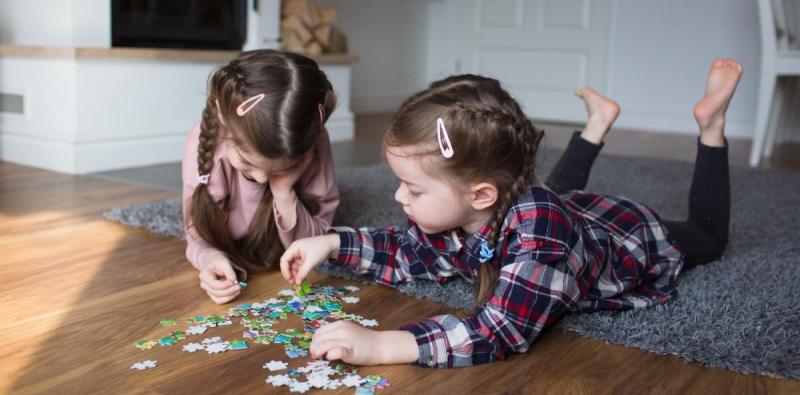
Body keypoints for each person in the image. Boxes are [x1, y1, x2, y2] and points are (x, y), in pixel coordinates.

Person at [280, 59, 742, 368]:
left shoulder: (543, 235)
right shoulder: (477, 204)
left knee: (707, 236)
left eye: (413, 188)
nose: (399, 198)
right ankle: (598, 124)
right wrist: (334, 242)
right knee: (552, 193)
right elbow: (406, 252)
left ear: (481, 195)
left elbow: (501, 329)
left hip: (623, 236)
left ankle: (711, 125)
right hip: (549, 213)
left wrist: (384, 344)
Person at [182, 50, 340, 304]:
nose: (261, 178)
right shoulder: (210, 144)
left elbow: (316, 244)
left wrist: (284, 192)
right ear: (223, 120)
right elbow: (197, 233)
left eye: (283, 168)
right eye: (246, 161)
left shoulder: (315, 142)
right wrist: (208, 257)